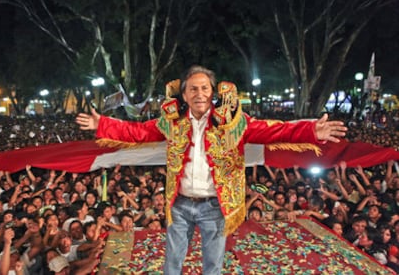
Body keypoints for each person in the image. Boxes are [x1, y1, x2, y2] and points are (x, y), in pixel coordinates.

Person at [76, 65, 347, 274]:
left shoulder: (232, 123)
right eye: (193, 89)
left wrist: (312, 129)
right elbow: (135, 131)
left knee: (213, 265)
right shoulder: (172, 122)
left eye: (205, 88)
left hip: (214, 206)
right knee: (172, 263)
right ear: (184, 94)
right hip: (180, 204)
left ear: (212, 92)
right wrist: (102, 124)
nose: (199, 94)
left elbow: (275, 130)